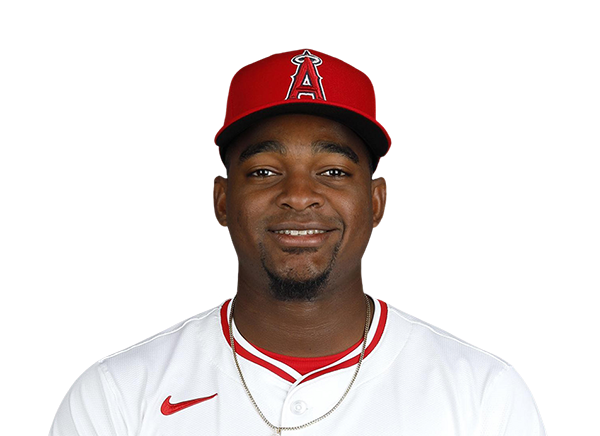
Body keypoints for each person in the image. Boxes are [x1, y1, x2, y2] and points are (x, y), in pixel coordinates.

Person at [50, 49, 546, 436]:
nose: (300, 195)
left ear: (376, 202)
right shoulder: (118, 394)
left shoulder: (483, 394)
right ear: (222, 201)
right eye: (265, 171)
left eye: (334, 171)